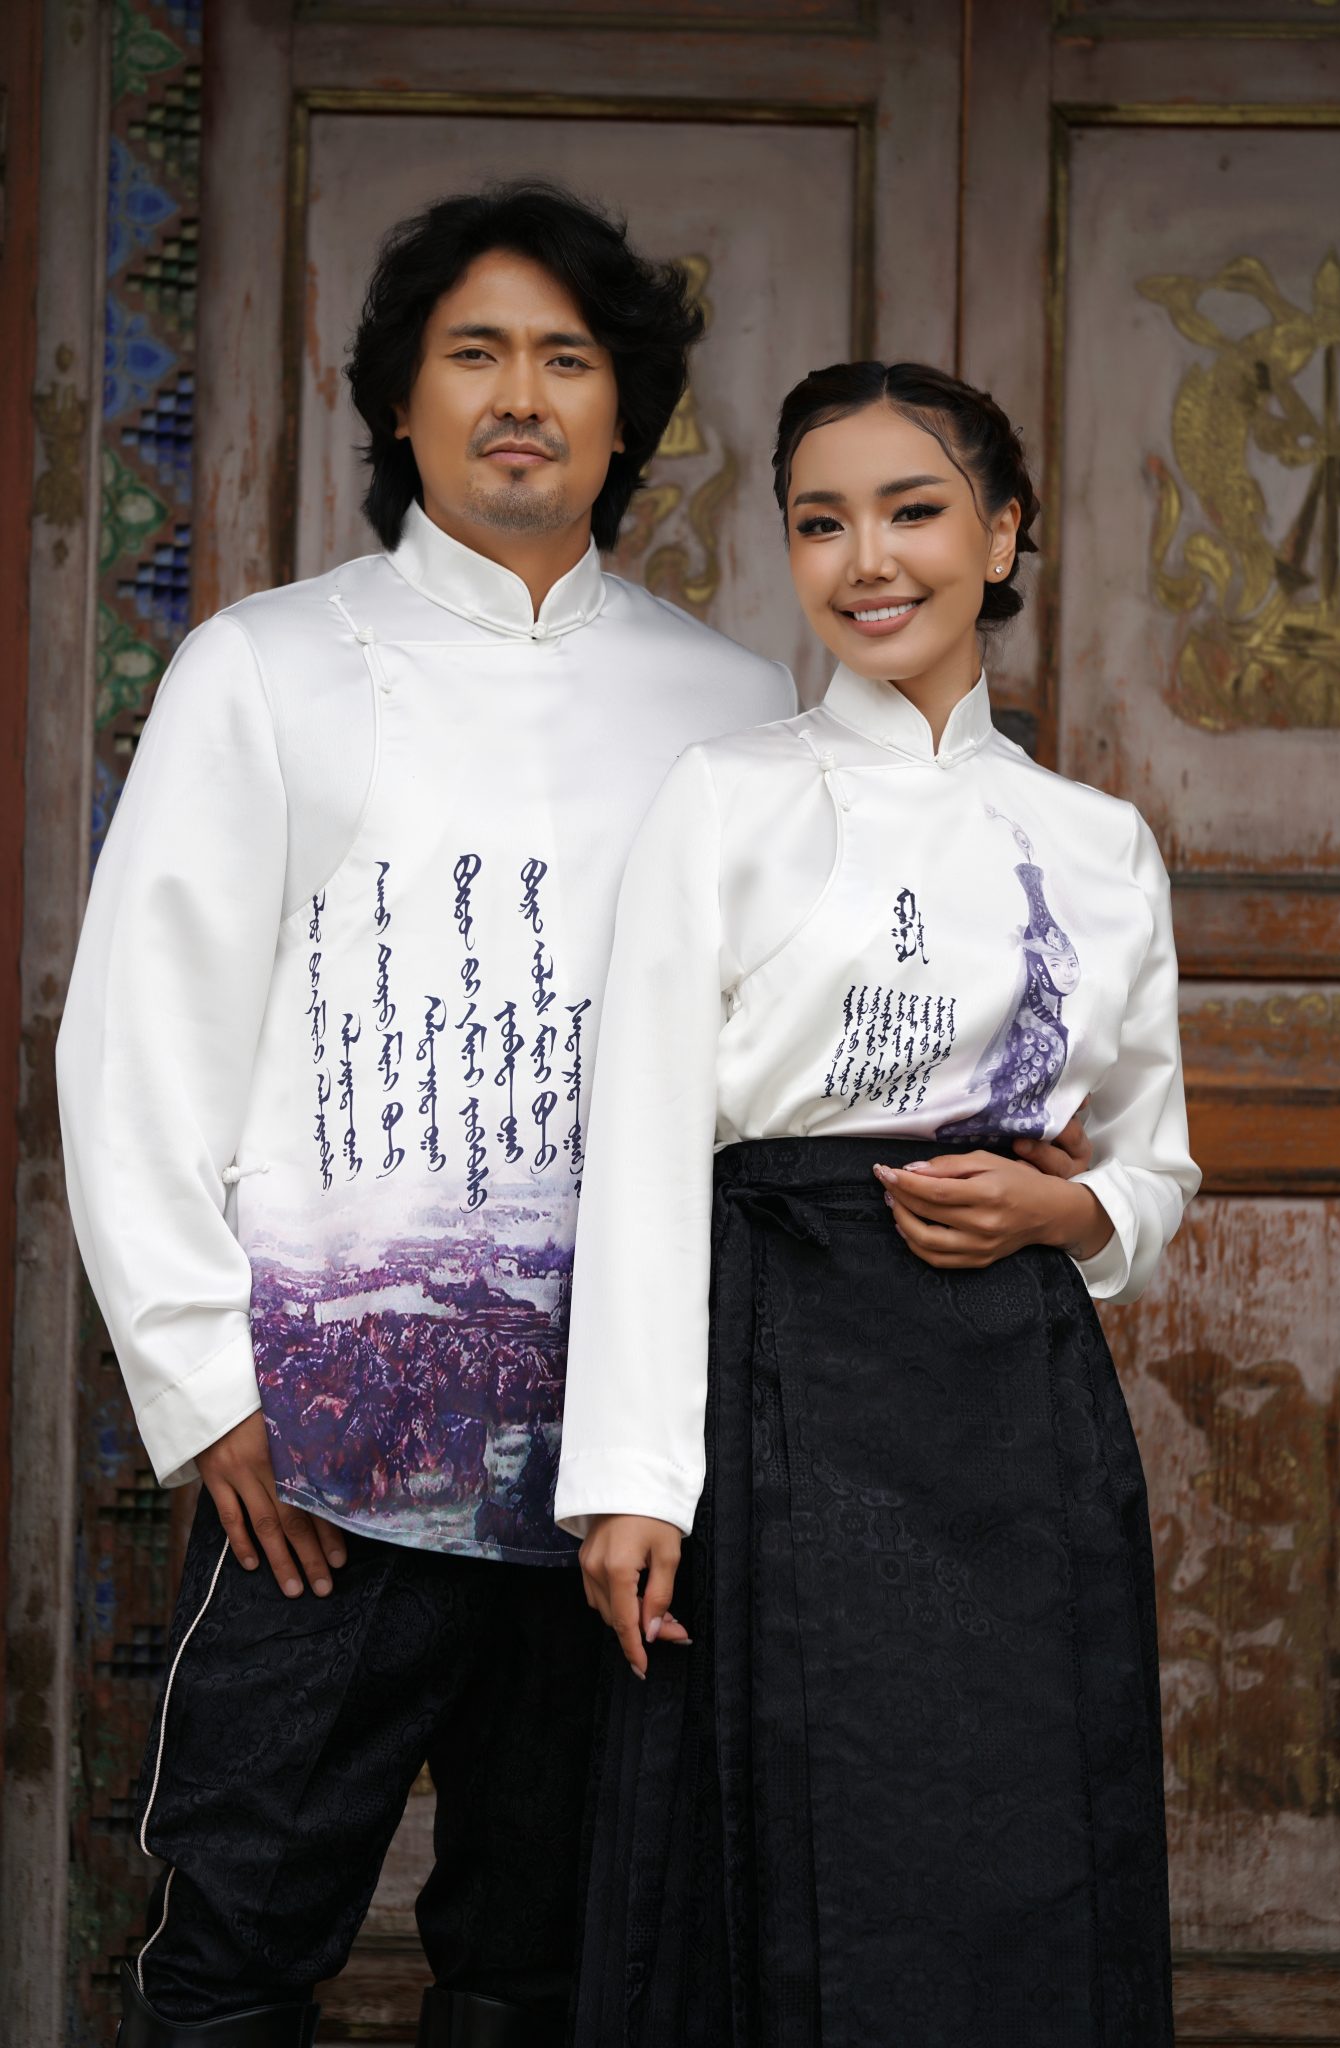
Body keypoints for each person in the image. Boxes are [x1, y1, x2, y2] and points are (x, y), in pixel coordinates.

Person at [57, 180, 803, 2048]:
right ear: (399, 402)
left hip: (618, 1470)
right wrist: (199, 1377)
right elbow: (136, 1036)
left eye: (566, 357)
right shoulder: (268, 666)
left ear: (628, 414)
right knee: (235, 1941)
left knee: (548, 1963)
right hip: (321, 1458)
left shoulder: (730, 703)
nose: (521, 395)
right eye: (473, 353)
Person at [555, 360, 1201, 2047]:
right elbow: (636, 1145)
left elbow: (1149, 1152)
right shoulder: (727, 798)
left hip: (1008, 1396)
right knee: (774, 1829)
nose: (866, 560)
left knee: (1011, 1835)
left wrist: (1067, 1220)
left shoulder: (1096, 840)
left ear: (1001, 537)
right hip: (769, 1350)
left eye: (912, 512)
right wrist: (629, 1481)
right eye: (819, 522)